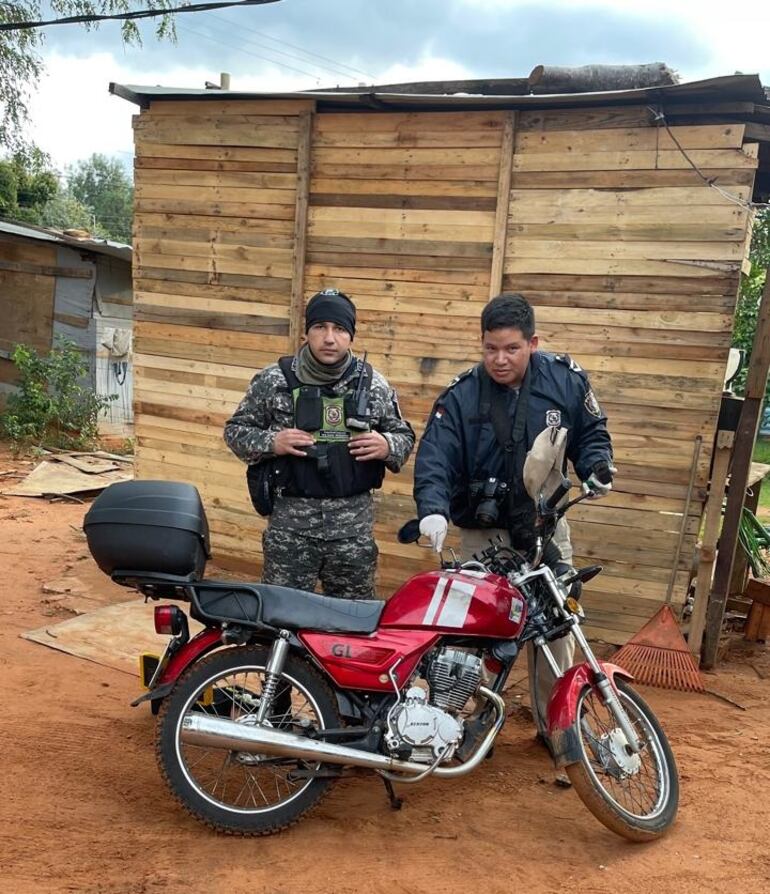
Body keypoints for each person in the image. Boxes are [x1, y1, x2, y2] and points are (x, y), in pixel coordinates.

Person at [413, 293, 614, 734]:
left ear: (533, 342)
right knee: (476, 631)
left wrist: (597, 467)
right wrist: (432, 510)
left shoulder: (566, 382)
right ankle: (464, 724)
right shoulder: (462, 394)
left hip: (545, 528)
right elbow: (434, 457)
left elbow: (591, 433)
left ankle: (557, 728)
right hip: (484, 535)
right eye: (490, 349)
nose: (499, 359)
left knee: (556, 631)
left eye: (511, 349)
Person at [224, 288, 415, 599]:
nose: (329, 338)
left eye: (339, 329)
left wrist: (386, 445)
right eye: (320, 327)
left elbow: (404, 436)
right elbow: (235, 432)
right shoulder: (275, 381)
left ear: (351, 336)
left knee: (351, 625)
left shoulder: (374, 384)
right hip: (290, 531)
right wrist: (273, 441)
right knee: (280, 621)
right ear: (307, 332)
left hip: (351, 534)